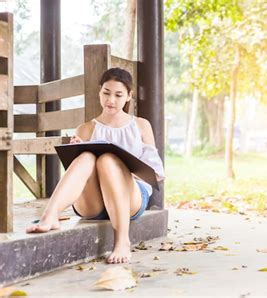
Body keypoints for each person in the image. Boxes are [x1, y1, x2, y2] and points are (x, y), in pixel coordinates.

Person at [26, 68, 164, 264]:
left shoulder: (141, 125)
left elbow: (156, 173)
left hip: (130, 199)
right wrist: (77, 151)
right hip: (94, 203)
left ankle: (122, 241)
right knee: (87, 157)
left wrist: (124, 168)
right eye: (106, 93)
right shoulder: (86, 128)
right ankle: (50, 215)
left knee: (108, 160)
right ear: (100, 92)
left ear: (128, 96)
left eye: (118, 95)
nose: (111, 100)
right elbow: (78, 177)